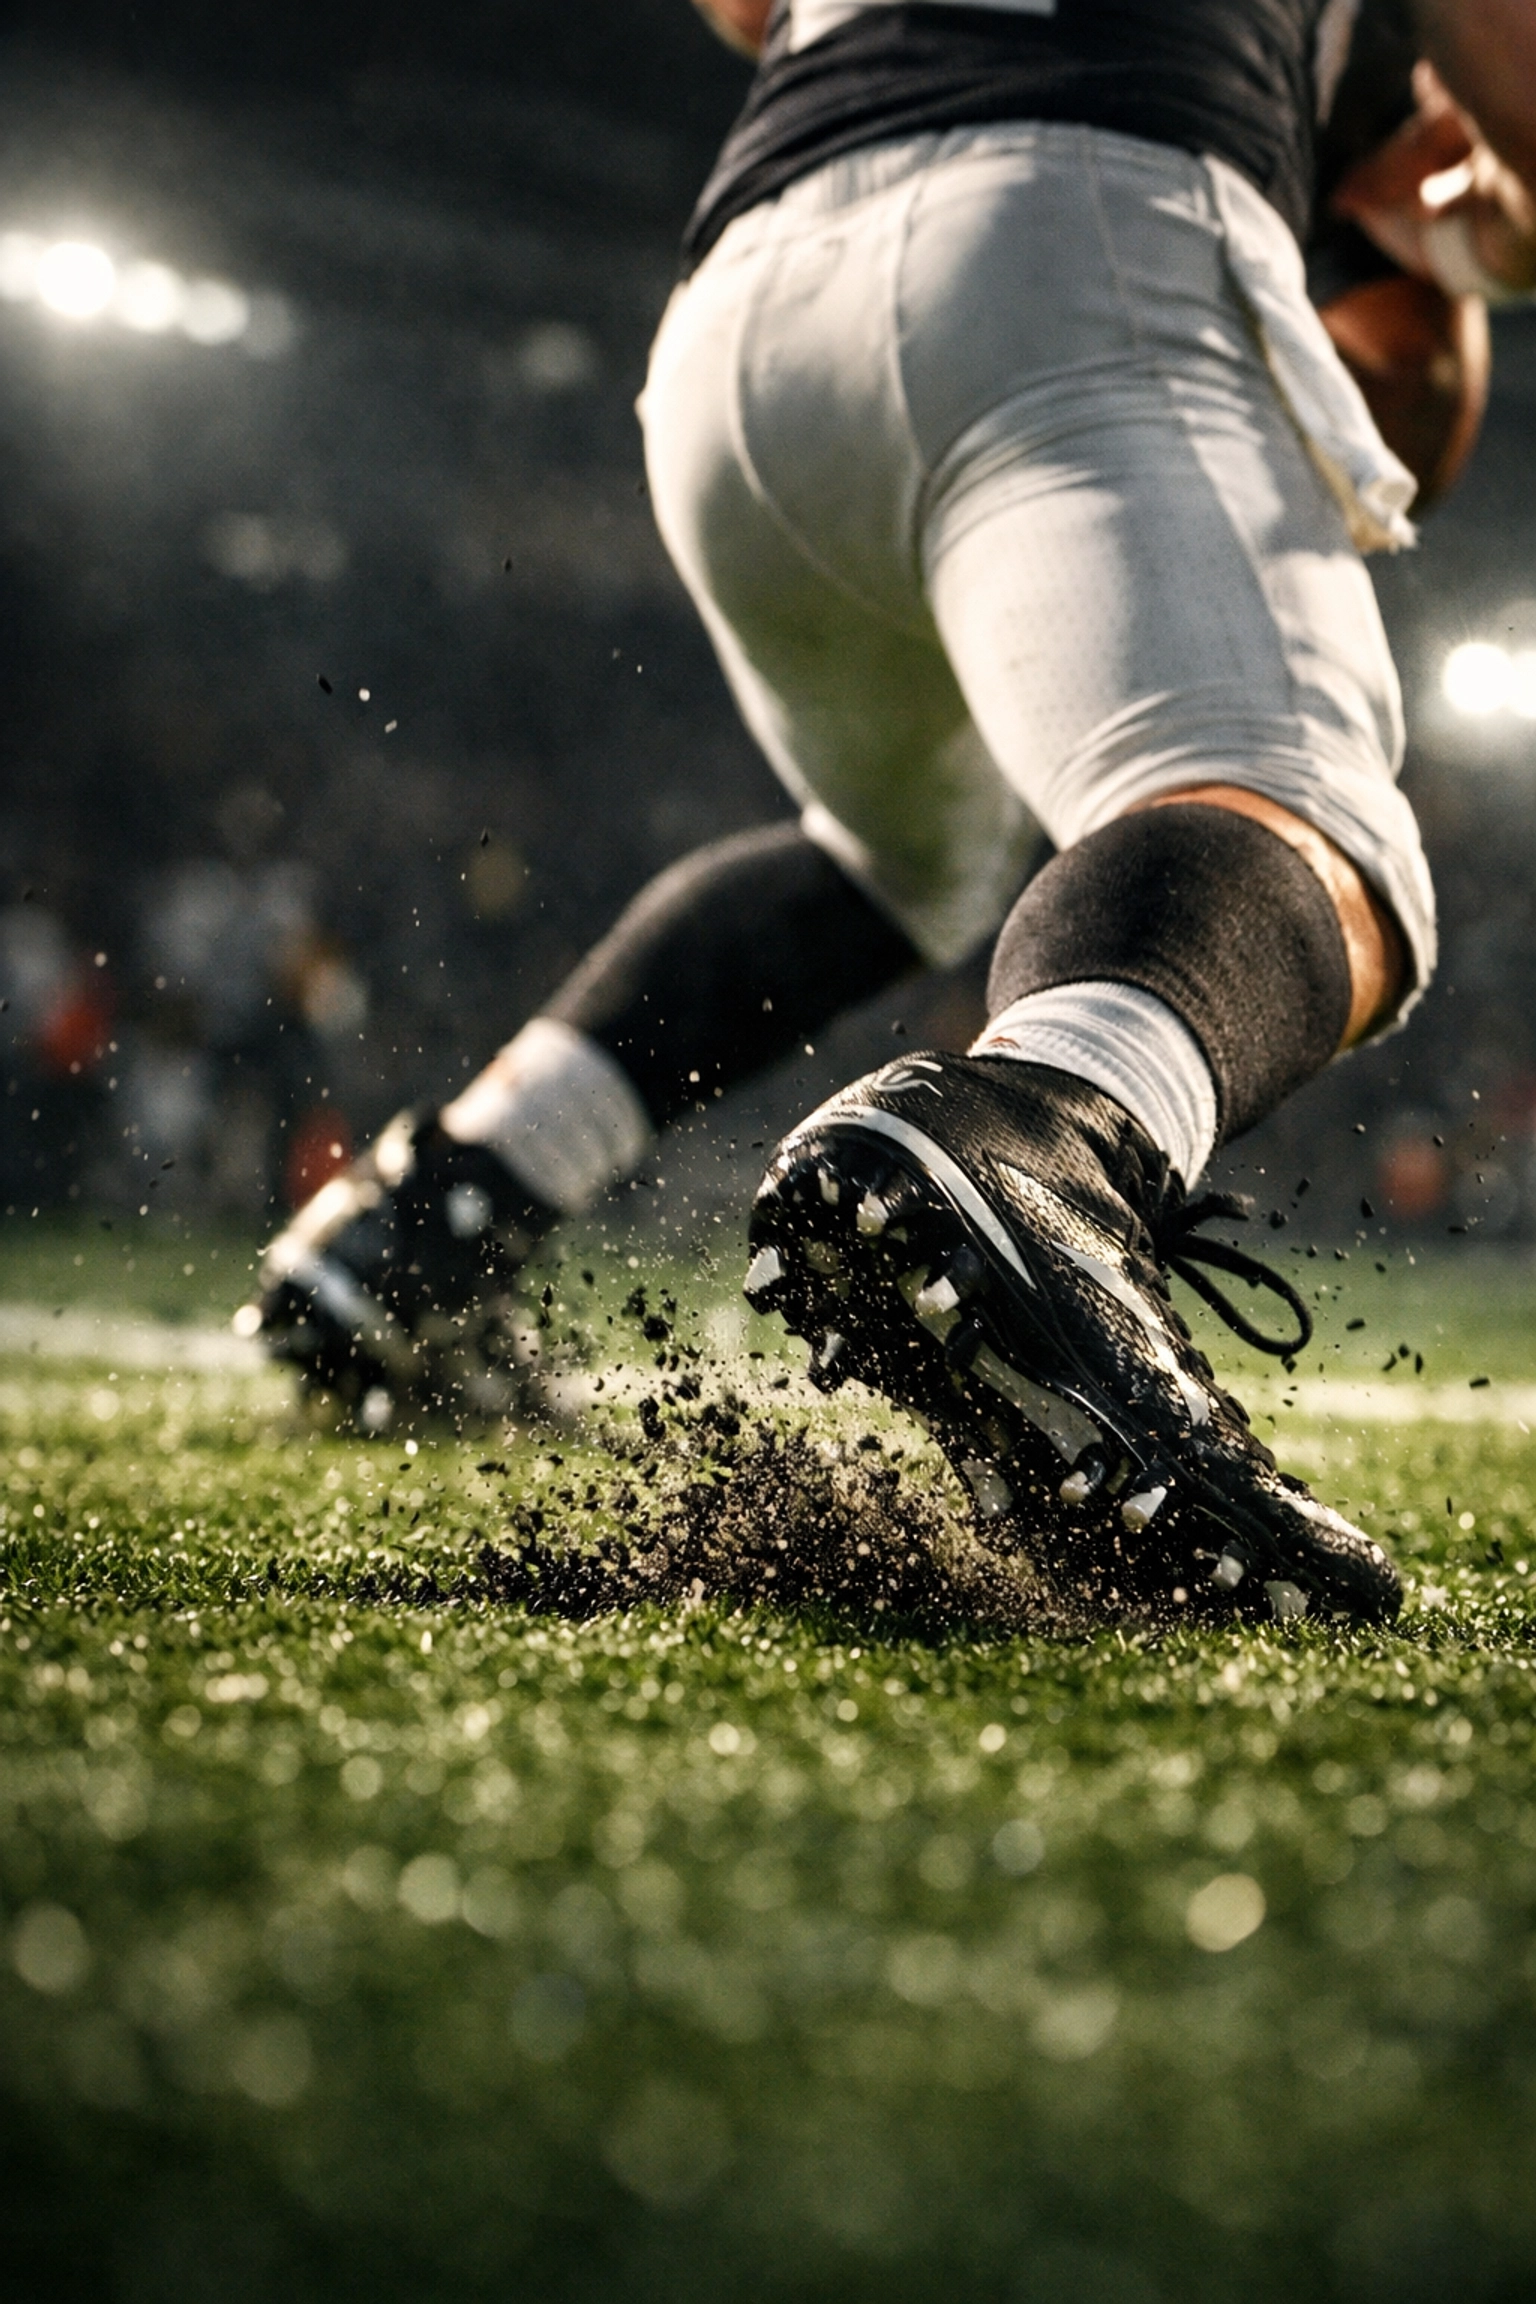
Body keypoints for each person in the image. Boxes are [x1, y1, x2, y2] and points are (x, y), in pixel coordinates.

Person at [250, 0, 1536, 1624]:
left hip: (749, 320)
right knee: (1303, 827)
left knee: (910, 862)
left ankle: (447, 1212)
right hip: (1075, 229)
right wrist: (1486, 242)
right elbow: (1487, 205)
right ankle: (1045, 1145)